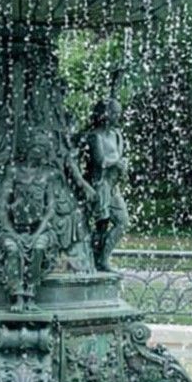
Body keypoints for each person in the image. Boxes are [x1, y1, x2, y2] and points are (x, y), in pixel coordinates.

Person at [0, 133, 58, 310]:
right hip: (14, 229)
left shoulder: (47, 174)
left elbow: (50, 209)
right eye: (36, 147)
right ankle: (17, 295)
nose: (39, 152)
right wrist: (12, 232)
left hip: (39, 229)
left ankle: (31, 294)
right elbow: (2, 206)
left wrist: (37, 233)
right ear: (28, 148)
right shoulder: (13, 171)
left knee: (39, 248)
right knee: (12, 250)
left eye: (43, 149)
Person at [85, 98, 129, 271]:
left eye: (119, 113)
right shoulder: (95, 136)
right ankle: (96, 261)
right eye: (114, 113)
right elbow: (100, 160)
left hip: (113, 185)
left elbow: (118, 156)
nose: (118, 116)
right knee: (101, 224)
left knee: (123, 222)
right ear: (105, 114)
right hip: (100, 184)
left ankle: (103, 258)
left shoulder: (117, 135)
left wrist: (122, 165)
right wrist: (116, 162)